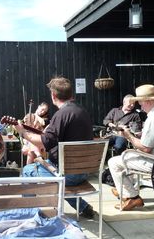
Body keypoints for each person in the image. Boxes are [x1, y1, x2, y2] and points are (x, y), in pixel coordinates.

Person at [14, 77, 95, 219]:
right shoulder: (82, 111)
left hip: (68, 174)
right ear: (71, 94)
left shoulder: (62, 114)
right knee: (56, 175)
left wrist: (23, 132)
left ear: (53, 95)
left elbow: (44, 143)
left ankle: (29, 215)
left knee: (27, 171)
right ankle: (82, 206)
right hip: (84, 171)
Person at [108, 84, 154, 211]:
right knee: (128, 156)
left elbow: (145, 148)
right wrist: (141, 135)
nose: (140, 106)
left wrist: (128, 135)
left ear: (148, 101)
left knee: (114, 162)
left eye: (140, 103)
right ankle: (125, 190)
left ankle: (132, 197)